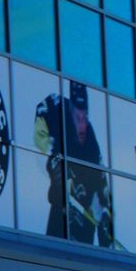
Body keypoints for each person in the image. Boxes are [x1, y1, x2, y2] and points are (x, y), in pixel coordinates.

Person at [34, 80, 112, 245]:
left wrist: (104, 215)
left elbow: (103, 184)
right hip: (61, 213)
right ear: (70, 111)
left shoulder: (91, 142)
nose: (82, 125)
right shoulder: (56, 107)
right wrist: (52, 157)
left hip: (83, 224)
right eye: (78, 118)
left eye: (85, 117)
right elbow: (40, 124)